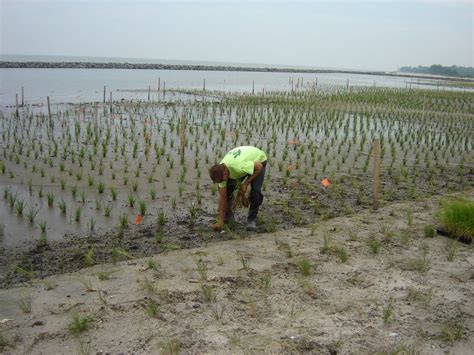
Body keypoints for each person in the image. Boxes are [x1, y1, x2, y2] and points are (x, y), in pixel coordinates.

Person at [209, 146, 267, 231]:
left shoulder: (238, 166)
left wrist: (245, 184)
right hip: (244, 164)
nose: (221, 182)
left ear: (225, 172)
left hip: (259, 161)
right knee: (227, 193)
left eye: (221, 180)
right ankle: (228, 219)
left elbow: (259, 167)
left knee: (255, 193)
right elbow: (223, 197)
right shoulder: (220, 171)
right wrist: (220, 220)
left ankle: (252, 220)